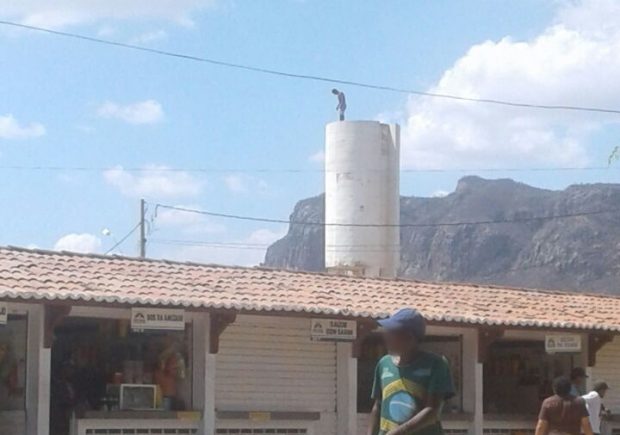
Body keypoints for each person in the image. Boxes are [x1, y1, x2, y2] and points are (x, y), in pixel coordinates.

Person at [367, 308, 454, 435]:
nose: (386, 336)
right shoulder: (384, 364)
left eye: (392, 332)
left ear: (409, 337)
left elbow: (432, 411)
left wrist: (399, 432)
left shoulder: (435, 364)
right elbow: (378, 406)